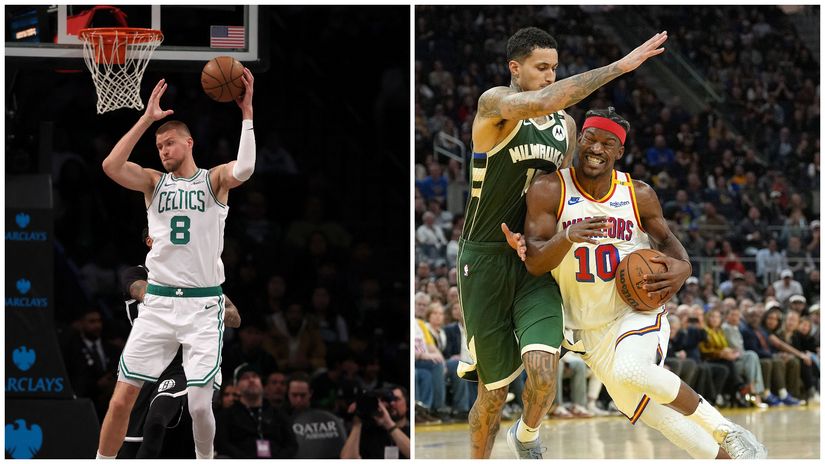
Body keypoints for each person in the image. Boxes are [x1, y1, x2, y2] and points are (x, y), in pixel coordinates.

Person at [458, 26, 668, 458]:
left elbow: (569, 187)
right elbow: (538, 102)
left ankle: (528, 435)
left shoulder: (566, 126)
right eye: (541, 68)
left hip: (537, 256)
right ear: (515, 68)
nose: (550, 76)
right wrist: (619, 68)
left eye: (554, 68)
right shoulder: (494, 104)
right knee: (493, 395)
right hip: (485, 259)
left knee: (542, 371)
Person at [510, 108, 766, 458]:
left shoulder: (638, 194)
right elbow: (536, 263)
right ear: (579, 141)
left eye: (608, 143)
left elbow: (668, 242)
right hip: (588, 329)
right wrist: (568, 236)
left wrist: (685, 267)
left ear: (619, 152)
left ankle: (729, 431)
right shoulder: (549, 188)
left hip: (636, 308)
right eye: (590, 139)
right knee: (654, 412)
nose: (596, 148)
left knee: (633, 370)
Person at [96, 69, 256, 459]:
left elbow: (246, 169)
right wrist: (146, 120)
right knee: (121, 401)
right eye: (159, 146)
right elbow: (111, 166)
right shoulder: (153, 182)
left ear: (189, 142)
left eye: (170, 143)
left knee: (201, 406)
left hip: (202, 306)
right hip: (160, 304)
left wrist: (247, 113)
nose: (163, 151)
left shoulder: (213, 180)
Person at [117, 227, 242, 458]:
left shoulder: (196, 277)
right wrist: (184, 295)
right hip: (143, 363)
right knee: (128, 446)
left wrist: (212, 303)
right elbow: (142, 292)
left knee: (156, 422)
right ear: (150, 242)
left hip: (179, 365)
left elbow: (235, 318)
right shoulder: (135, 273)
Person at [215, 364, 298, 458]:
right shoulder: (226, 416)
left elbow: (291, 445)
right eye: (245, 378)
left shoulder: (277, 414)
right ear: (237, 387)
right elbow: (223, 445)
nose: (251, 380)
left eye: (255, 376)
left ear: (262, 384)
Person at [340, 385, 410, 459]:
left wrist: (389, 424)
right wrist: (358, 420)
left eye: (396, 399)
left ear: (407, 405)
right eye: (386, 400)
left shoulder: (412, 430)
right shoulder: (369, 432)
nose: (392, 403)